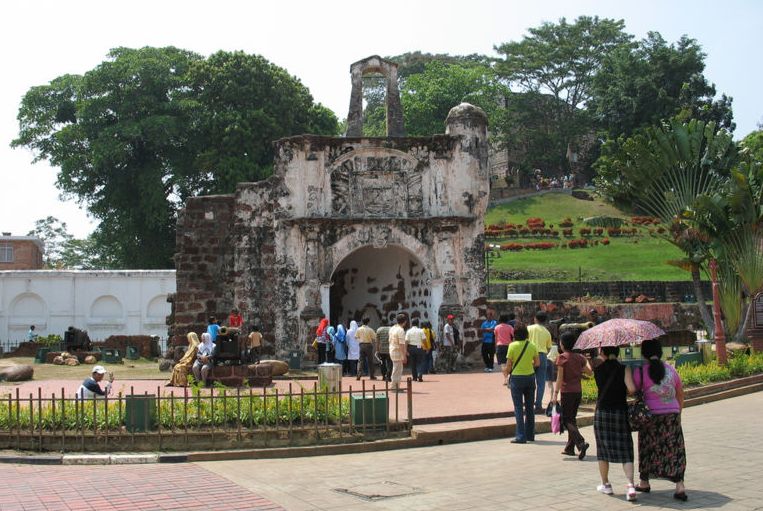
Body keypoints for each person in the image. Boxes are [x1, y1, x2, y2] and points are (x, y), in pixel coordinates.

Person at [627, 338, 688, 502]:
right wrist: (678, 413)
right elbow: (680, 393)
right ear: (660, 352)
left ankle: (644, 482)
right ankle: (680, 486)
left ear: (644, 354)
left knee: (648, 447)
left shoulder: (640, 371)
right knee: (675, 449)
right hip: (672, 414)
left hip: (650, 416)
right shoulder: (671, 370)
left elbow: (633, 391)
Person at [593, 346, 636, 501]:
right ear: (617, 353)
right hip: (620, 412)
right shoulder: (624, 368)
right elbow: (631, 389)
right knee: (625, 448)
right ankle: (630, 485)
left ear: (603, 353)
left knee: (603, 449)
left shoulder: (598, 369)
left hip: (602, 413)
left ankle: (606, 484)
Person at [552, 332, 592, 460]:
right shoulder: (580, 357)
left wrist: (555, 394)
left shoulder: (562, 358)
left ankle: (580, 443)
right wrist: (587, 361)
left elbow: (559, 378)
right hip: (578, 391)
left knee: (567, 420)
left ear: (562, 344)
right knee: (572, 419)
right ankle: (570, 448)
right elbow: (590, 373)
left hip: (567, 392)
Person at [503, 324, 539, 444]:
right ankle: (530, 434)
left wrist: (506, 374)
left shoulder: (512, 346)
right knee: (530, 407)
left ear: (515, 334)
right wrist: (528, 366)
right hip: (530, 377)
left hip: (517, 378)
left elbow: (508, 365)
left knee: (518, 408)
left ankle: (520, 436)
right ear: (526, 334)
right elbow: (537, 363)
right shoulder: (532, 345)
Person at [528, 311, 553, 413]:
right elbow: (549, 347)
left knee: (529, 379)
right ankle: (538, 404)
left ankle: (529, 402)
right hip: (542, 356)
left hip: (530, 355)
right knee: (541, 382)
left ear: (535, 318)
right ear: (545, 320)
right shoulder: (547, 332)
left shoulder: (529, 328)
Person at [389, 313, 408, 391]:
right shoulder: (400, 330)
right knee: (397, 370)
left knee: (396, 369)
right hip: (397, 352)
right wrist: (404, 355)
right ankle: (394, 387)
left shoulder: (393, 328)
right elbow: (401, 344)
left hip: (392, 350)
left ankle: (395, 386)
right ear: (405, 321)